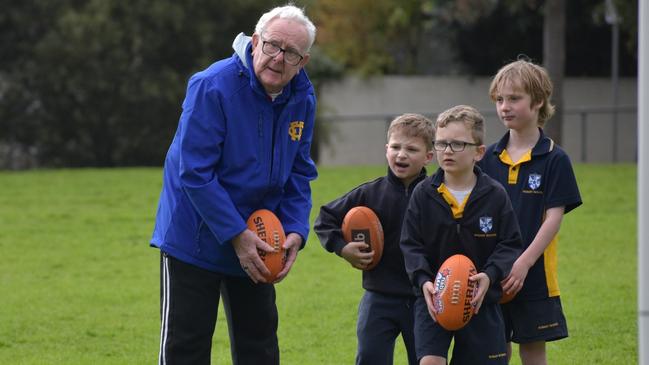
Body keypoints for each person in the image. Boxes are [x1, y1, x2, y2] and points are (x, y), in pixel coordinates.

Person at [149, 4, 318, 365]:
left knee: (260, 349)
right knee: (186, 350)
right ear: (255, 42)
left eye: (291, 53)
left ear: (303, 61)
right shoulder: (212, 85)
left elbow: (300, 172)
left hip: (261, 238)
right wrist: (236, 234)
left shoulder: (303, 97)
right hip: (194, 237)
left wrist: (294, 230)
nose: (278, 58)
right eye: (272, 46)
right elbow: (194, 172)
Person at [400, 105, 523, 365]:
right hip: (433, 298)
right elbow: (411, 245)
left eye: (457, 144)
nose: (447, 151)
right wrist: (423, 280)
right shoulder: (423, 193)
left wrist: (489, 276)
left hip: (481, 300)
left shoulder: (495, 194)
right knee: (430, 361)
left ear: (479, 152)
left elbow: (510, 243)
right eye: (442, 143)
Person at [478, 59, 582, 365]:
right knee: (496, 349)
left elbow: (553, 219)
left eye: (514, 98)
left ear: (538, 101)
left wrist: (523, 263)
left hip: (534, 272)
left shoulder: (555, 159)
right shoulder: (485, 159)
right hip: (492, 269)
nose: (504, 107)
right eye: (499, 99)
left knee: (533, 350)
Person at [314, 113, 435, 365]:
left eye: (411, 149)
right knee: (370, 358)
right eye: (395, 147)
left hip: (423, 299)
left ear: (428, 156)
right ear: (386, 149)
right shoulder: (370, 193)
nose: (401, 154)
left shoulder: (436, 195)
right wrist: (343, 247)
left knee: (425, 360)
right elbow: (325, 219)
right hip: (378, 297)